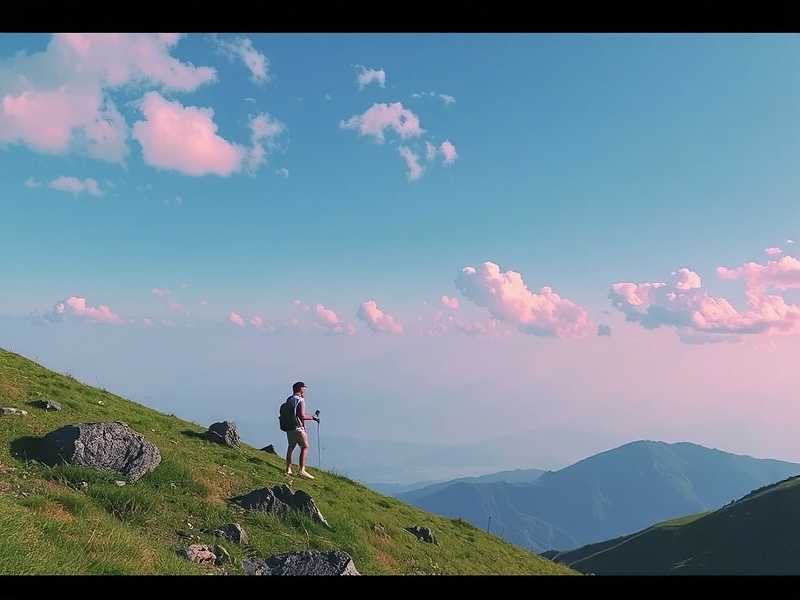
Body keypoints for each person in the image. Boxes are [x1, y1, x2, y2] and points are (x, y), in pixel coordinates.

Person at [285, 381, 319, 479]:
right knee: (305, 447)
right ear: (300, 389)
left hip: (289, 427)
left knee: (291, 447)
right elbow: (302, 416)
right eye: (304, 388)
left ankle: (288, 469)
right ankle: (302, 470)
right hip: (298, 427)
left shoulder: (289, 399)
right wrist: (313, 418)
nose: (305, 390)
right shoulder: (300, 400)